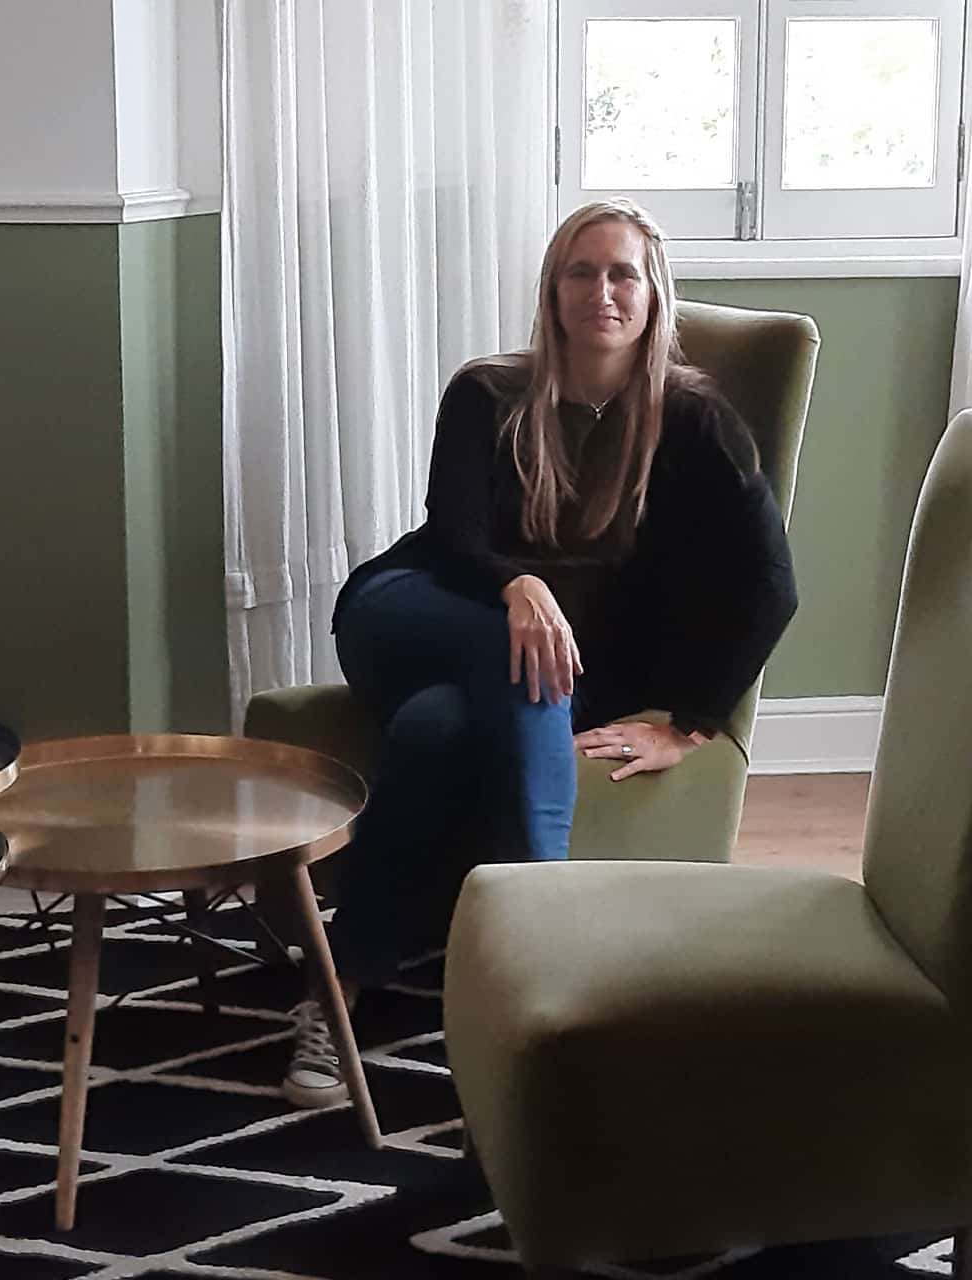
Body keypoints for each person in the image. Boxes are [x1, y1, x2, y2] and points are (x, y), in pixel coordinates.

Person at [282, 197, 799, 1108]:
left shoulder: (695, 421)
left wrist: (690, 724)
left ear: (653, 294)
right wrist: (519, 586)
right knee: (511, 652)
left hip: (549, 670)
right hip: (413, 612)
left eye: (622, 273)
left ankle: (343, 981)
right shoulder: (488, 393)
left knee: (437, 728)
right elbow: (453, 538)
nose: (603, 291)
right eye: (581, 272)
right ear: (553, 292)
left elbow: (771, 584)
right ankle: (546, 955)